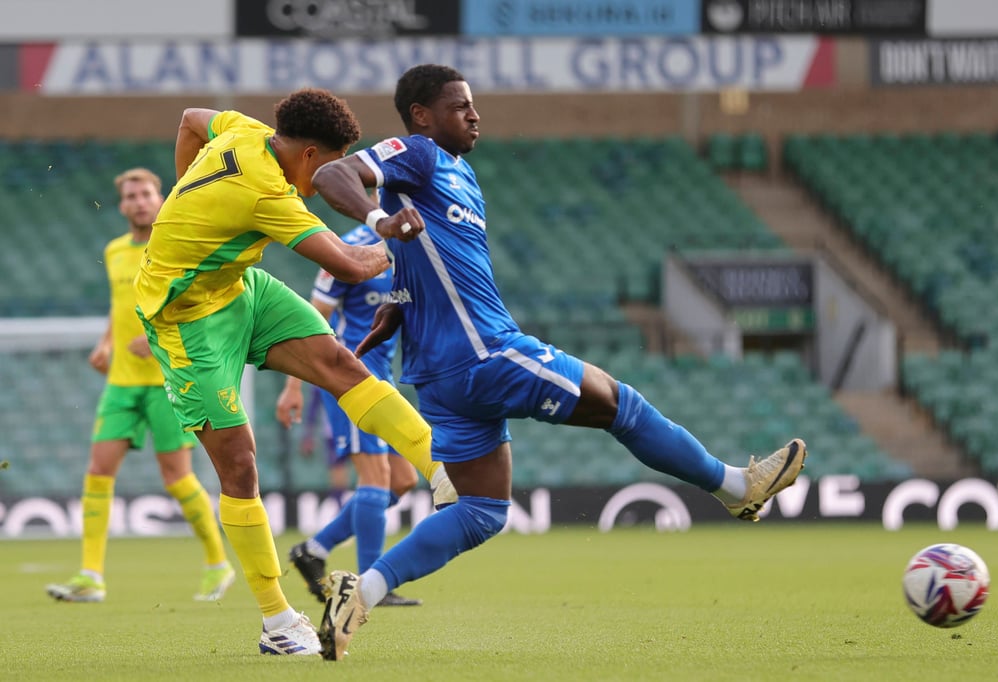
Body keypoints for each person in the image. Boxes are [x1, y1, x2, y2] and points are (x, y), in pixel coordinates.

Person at [308, 64, 809, 660]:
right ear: (421, 114)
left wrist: (399, 300)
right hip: (485, 353)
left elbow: (433, 262)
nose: (475, 114)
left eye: (474, 105)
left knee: (484, 511)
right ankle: (734, 488)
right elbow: (331, 173)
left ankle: (358, 592)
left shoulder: (462, 176)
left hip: (443, 372)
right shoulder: (416, 153)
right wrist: (377, 220)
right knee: (620, 404)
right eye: (459, 105)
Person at [132, 89, 454, 656]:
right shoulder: (265, 194)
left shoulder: (243, 129)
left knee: (339, 363)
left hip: (237, 288)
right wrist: (401, 244)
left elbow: (190, 119)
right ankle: (277, 623)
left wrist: (185, 198)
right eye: (329, 167)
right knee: (239, 465)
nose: (328, 181)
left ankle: (441, 468)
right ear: (309, 155)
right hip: (184, 316)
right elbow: (353, 266)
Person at [45, 168, 235, 604]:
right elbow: (123, 306)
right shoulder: (113, 251)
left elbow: (203, 303)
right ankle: (91, 576)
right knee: (97, 471)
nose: (138, 202)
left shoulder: (174, 246)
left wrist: (159, 340)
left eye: (145, 194)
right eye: (130, 196)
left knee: (176, 477)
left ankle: (217, 563)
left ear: (161, 197)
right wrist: (106, 341)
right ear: (121, 206)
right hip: (121, 384)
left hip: (167, 380)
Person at [277, 223, 423, 608]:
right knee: (375, 478)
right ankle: (371, 585)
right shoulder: (347, 249)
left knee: (403, 480)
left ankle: (314, 549)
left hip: (384, 379)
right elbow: (308, 322)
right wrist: (293, 387)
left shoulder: (415, 248)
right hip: (352, 382)